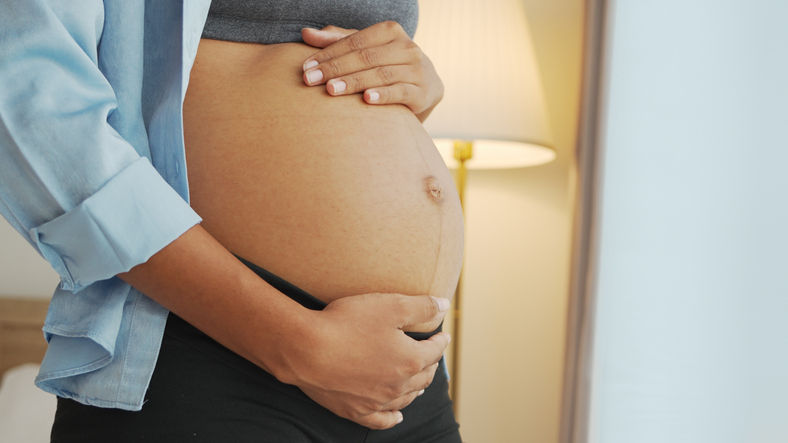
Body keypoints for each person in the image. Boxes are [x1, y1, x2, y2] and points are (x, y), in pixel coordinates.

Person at [0, 0, 464, 441]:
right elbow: (24, 100)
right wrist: (294, 342)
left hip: (403, 380)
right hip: (207, 355)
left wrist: (415, 86)